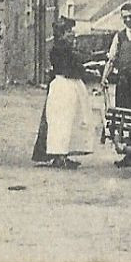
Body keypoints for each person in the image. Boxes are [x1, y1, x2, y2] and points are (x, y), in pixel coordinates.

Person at [33, 16, 94, 168]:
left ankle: (63, 154)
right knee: (62, 122)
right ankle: (59, 156)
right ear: (61, 34)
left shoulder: (66, 49)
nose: (72, 34)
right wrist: (84, 68)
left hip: (70, 85)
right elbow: (70, 69)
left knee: (70, 121)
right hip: (64, 87)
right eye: (68, 31)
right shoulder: (60, 50)